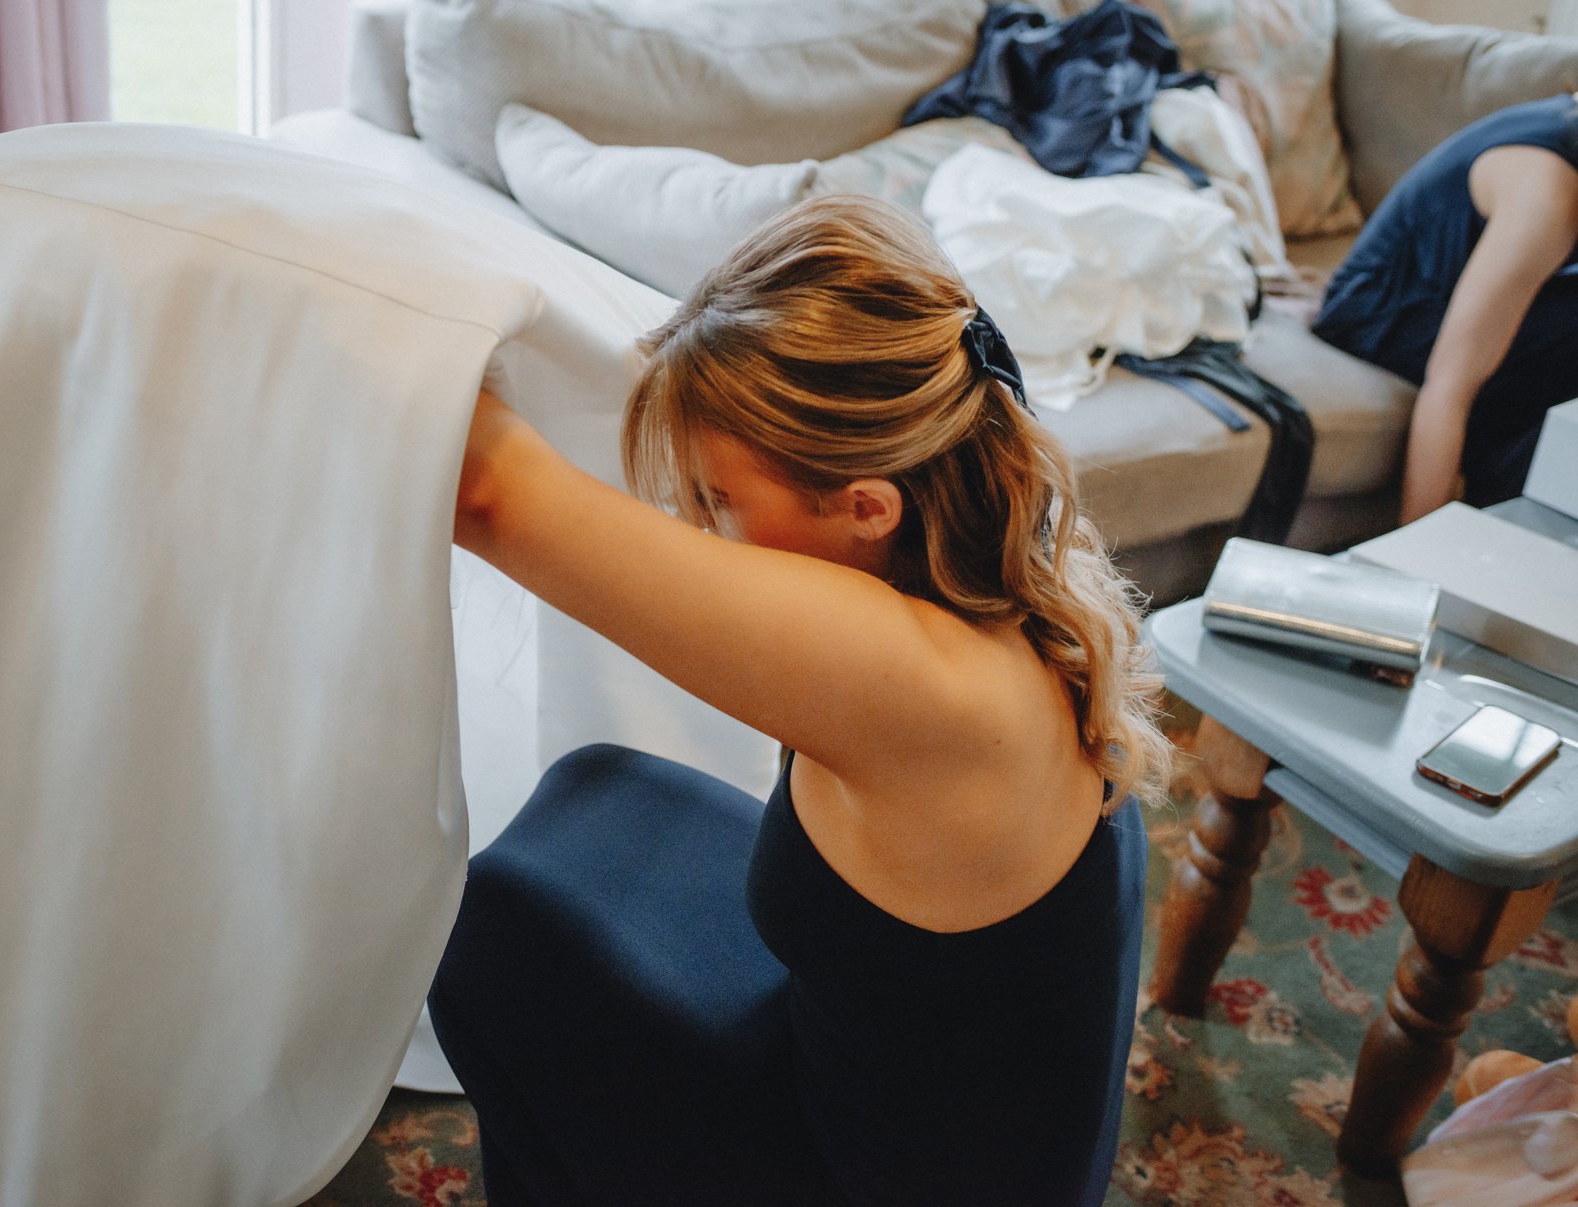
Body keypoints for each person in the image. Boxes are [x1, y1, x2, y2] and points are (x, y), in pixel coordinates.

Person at [435, 195, 1171, 1205]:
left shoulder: (925, 691)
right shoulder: (990, 562)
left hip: (887, 1179)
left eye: (720, 503)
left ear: (865, 506)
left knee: (492, 950)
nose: (698, 535)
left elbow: (487, 492)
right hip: (950, 1099)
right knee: (592, 791)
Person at [1312, 94, 1578, 522]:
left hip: (1435, 296)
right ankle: (1488, 509)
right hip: (1373, 313)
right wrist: (1418, 558)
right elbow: (1449, 384)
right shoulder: (1545, 200)